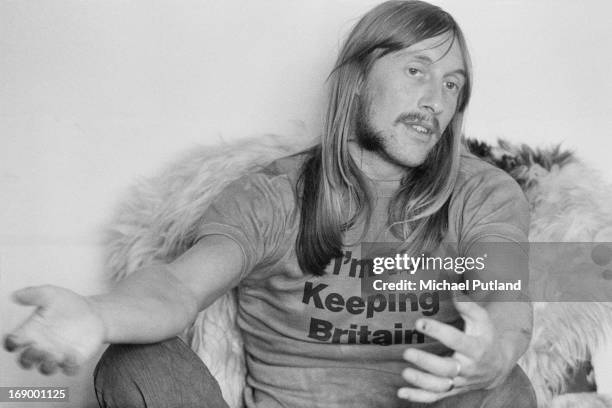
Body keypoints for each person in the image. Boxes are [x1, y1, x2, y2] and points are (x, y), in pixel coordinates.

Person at [4, 1, 536, 407]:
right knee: (134, 360)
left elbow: (506, 291)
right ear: (357, 79)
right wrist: (96, 313)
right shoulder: (272, 194)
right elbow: (177, 284)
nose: (436, 101)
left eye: (452, 85)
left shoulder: (483, 191)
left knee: (507, 385)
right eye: (417, 71)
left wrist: (498, 348)